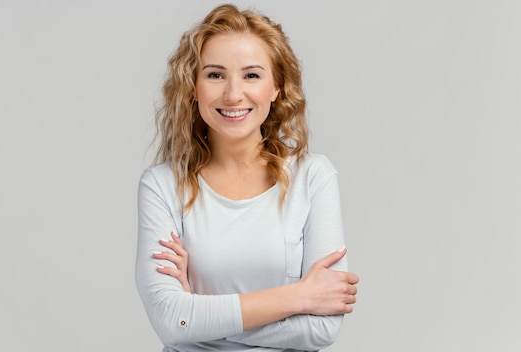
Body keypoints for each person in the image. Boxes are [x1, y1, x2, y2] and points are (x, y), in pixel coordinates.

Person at [135, 4, 359, 351]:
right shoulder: (162, 185)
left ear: (276, 88)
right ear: (193, 87)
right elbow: (170, 320)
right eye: (215, 74)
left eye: (251, 75)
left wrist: (199, 315)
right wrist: (299, 296)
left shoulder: (313, 177)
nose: (233, 94)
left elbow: (321, 330)